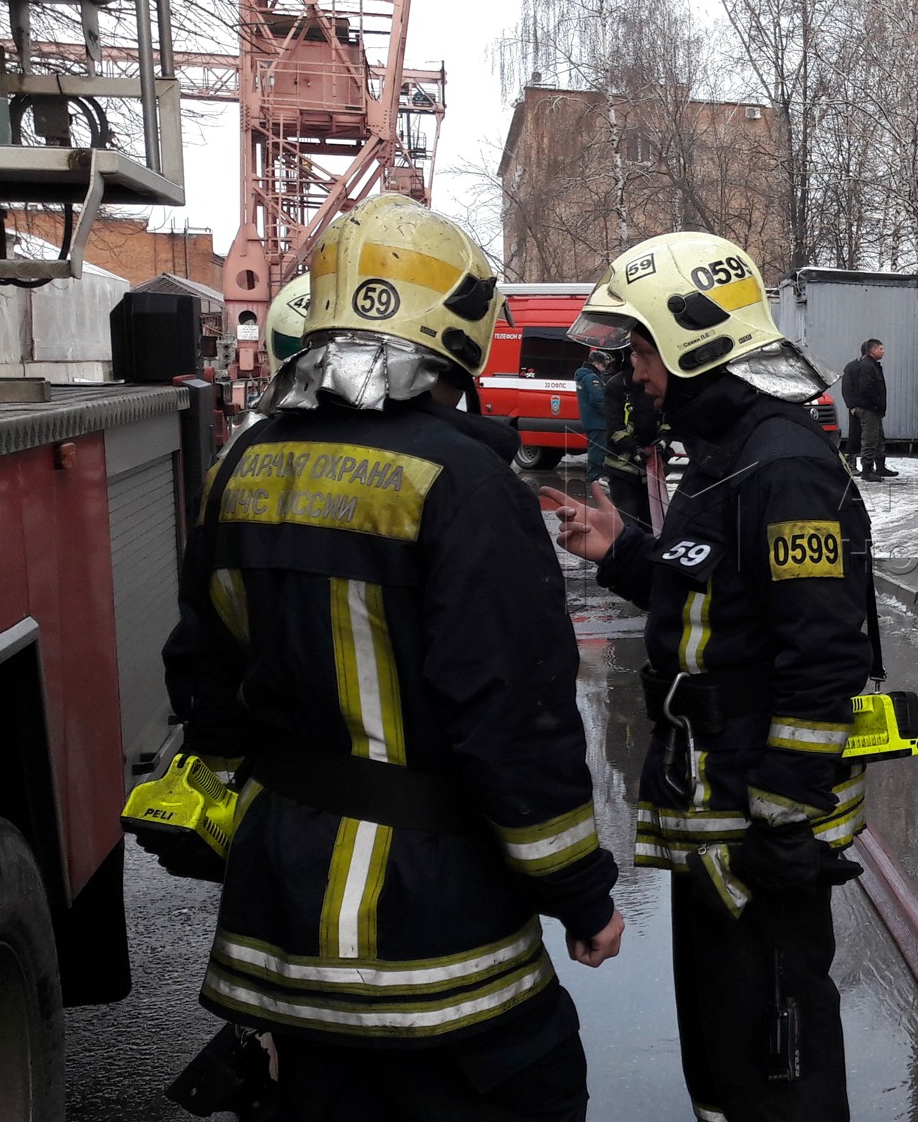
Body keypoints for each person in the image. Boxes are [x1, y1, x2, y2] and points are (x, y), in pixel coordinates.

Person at [162, 194, 625, 1122]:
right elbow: (514, 722)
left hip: (280, 917)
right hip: (435, 937)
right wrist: (581, 895)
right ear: (461, 332)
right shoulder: (469, 487)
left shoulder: (241, 469)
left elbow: (203, 675)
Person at [540, 231, 875, 1122]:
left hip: (758, 831)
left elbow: (824, 664)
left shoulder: (785, 466)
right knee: (728, 1059)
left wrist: (783, 820)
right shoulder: (725, 457)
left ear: (692, 339)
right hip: (716, 816)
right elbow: (710, 601)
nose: (633, 372)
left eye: (640, 347)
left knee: (779, 1069)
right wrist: (619, 554)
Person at [599, 348, 657, 526]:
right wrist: (633, 448)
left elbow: (667, 418)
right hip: (622, 468)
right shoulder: (617, 385)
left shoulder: (656, 381)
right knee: (629, 523)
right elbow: (614, 427)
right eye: (634, 355)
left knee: (652, 523)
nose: (639, 359)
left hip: (652, 469)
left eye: (643, 354)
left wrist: (663, 441)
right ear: (627, 358)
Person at [839, 338, 896, 481]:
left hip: (871, 409)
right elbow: (860, 388)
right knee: (866, 438)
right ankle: (865, 469)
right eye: (881, 349)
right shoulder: (862, 366)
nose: (883, 352)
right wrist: (854, 405)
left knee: (877, 438)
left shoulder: (872, 365)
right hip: (866, 408)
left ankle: (879, 466)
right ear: (871, 350)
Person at [576, 348, 611, 482]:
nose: (604, 369)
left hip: (591, 420)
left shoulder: (583, 376)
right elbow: (598, 400)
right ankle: (594, 478)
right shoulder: (592, 378)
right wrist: (610, 413)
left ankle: (595, 477)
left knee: (596, 449)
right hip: (598, 422)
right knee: (598, 451)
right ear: (596, 363)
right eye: (603, 365)